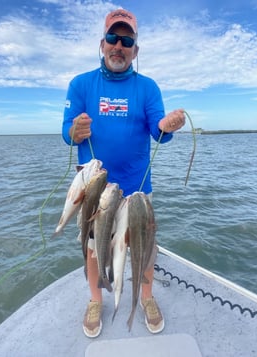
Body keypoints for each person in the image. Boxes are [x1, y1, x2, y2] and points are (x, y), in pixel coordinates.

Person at [62, 8, 185, 338]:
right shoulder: (81, 84)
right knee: (94, 248)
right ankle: (95, 299)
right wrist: (74, 131)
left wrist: (166, 126)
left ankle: (146, 297)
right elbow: (66, 132)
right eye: (113, 38)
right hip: (95, 191)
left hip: (137, 189)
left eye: (126, 39)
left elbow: (159, 132)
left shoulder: (147, 88)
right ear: (102, 43)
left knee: (143, 247)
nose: (119, 45)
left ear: (135, 49)